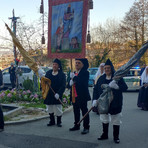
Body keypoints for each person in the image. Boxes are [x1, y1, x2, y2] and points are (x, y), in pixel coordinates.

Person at [93, 59, 128, 143]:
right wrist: (94, 99)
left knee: (116, 119)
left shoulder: (117, 78)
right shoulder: (101, 78)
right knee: (104, 118)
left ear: (111, 68)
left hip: (115, 103)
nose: (106, 70)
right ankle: (105, 134)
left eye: (108, 68)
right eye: (105, 68)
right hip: (104, 103)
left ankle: (116, 137)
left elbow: (125, 87)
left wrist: (117, 87)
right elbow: (96, 90)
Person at [69, 58, 91, 134]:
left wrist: (74, 78)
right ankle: (76, 125)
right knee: (76, 111)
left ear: (83, 64)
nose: (77, 64)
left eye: (79, 63)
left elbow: (83, 83)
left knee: (84, 111)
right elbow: (70, 85)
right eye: (76, 63)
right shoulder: (74, 72)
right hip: (74, 96)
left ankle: (86, 127)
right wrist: (69, 83)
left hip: (82, 95)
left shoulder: (85, 73)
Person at [44, 59, 66, 127]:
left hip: (57, 94)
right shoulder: (48, 73)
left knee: (57, 108)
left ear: (58, 66)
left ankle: (59, 121)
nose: (54, 66)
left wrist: (59, 93)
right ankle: (52, 121)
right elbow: (45, 82)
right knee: (49, 107)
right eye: (53, 64)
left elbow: (63, 85)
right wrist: (42, 78)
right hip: (49, 94)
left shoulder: (62, 74)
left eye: (56, 64)